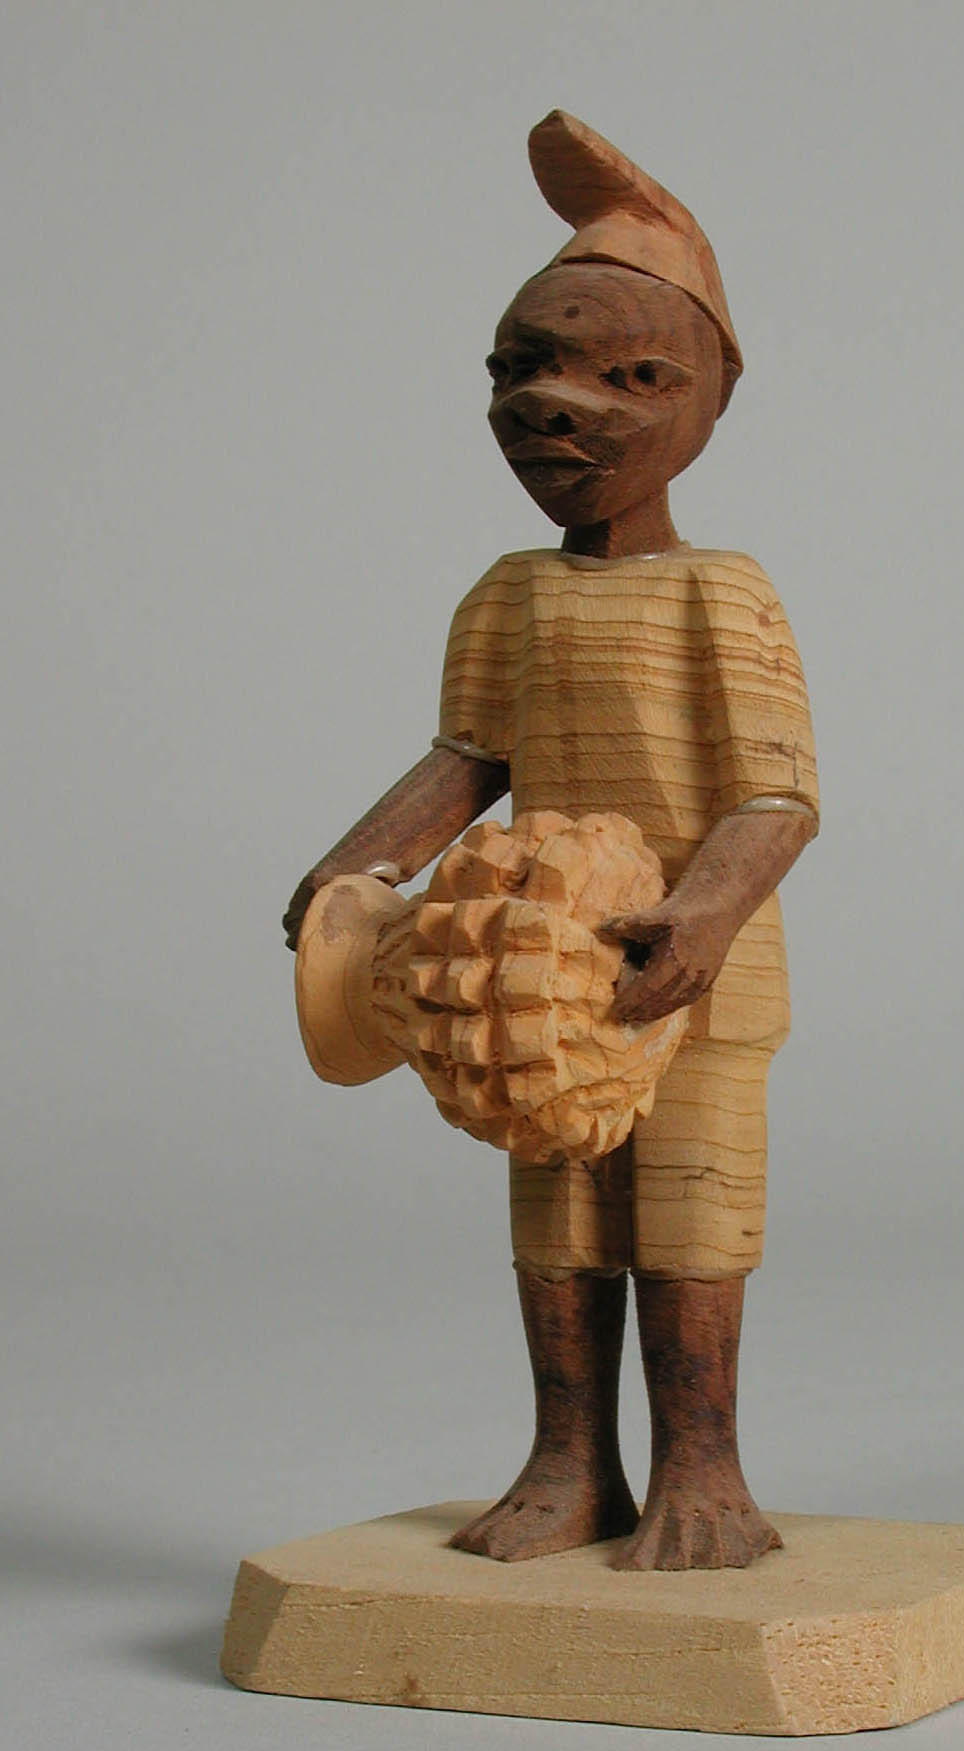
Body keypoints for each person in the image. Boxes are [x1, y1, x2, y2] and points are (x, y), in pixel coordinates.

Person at [283, 111, 818, 1570]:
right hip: (532, 980)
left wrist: (700, 917)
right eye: (519, 369)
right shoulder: (509, 594)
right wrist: (358, 869)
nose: (553, 407)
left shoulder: (722, 592)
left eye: (628, 377)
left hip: (689, 979)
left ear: (713, 396)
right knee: (560, 1218)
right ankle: (571, 1462)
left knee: (690, 1210)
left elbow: (776, 796)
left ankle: (704, 1470)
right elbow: (469, 756)